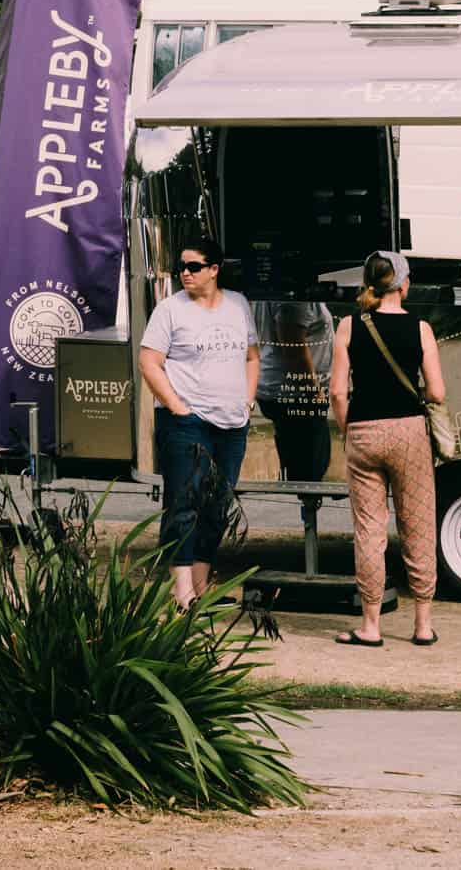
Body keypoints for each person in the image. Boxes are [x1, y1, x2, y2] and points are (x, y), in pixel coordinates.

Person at [327, 250, 445, 647]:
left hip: (363, 430)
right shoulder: (421, 329)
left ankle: (371, 626)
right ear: (405, 284)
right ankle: (423, 625)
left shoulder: (348, 326)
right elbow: (438, 392)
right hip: (409, 431)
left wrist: (349, 429)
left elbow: (338, 391)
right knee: (418, 525)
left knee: (369, 531)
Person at [138, 237, 260, 609]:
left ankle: (203, 589)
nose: (184, 274)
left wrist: (247, 399)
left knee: (218, 504)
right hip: (188, 423)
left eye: (193, 267)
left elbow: (252, 356)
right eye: (181, 268)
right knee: (184, 504)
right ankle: (182, 593)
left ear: (214, 269)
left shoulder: (238, 305)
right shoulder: (170, 310)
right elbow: (149, 362)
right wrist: (176, 406)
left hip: (231, 423)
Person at [253, 300, 334, 523]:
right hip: (294, 392)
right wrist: (314, 393)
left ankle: (309, 521)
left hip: (285, 389)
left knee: (308, 470)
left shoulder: (284, 291)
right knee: (311, 473)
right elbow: (293, 346)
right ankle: (309, 537)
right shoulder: (294, 299)